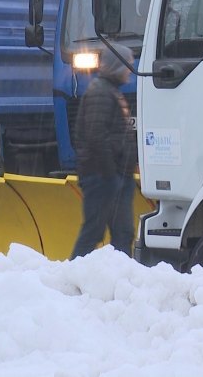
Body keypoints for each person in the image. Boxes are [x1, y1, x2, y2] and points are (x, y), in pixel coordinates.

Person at [70, 43, 138, 259]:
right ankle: (72, 274)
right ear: (117, 66)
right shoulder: (101, 93)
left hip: (113, 176)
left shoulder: (109, 91)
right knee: (94, 231)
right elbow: (96, 136)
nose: (130, 69)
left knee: (122, 232)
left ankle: (120, 278)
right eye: (127, 64)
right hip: (103, 177)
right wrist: (111, 175)